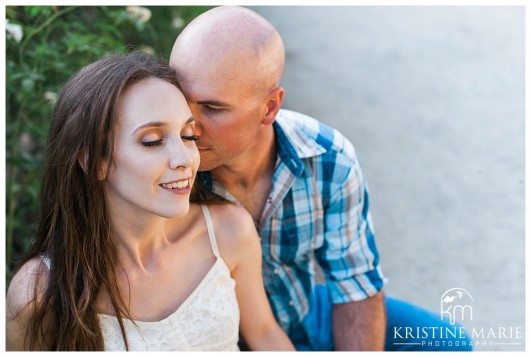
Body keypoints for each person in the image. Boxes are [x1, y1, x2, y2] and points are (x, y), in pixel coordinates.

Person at [170, 6, 473, 351]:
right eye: (181, 99)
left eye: (212, 108)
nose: (187, 126)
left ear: (269, 107)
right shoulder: (165, 170)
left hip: (303, 308)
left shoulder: (329, 159)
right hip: (219, 340)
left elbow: (355, 285)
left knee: (448, 343)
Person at [5, 51, 295, 351]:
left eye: (188, 135)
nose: (185, 159)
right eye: (152, 141)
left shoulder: (229, 230)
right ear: (93, 161)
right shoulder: (38, 293)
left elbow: (264, 334)